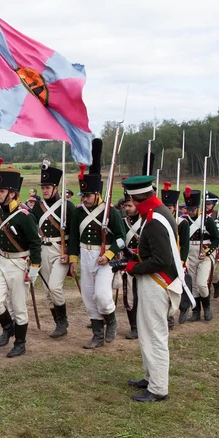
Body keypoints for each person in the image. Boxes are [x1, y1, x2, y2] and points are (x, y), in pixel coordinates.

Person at [120, 175, 184, 402]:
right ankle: (151, 377)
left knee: (154, 335)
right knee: (147, 332)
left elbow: (161, 260)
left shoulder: (155, 219)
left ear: (136, 196)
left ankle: (158, 388)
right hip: (154, 280)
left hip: (157, 281)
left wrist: (132, 266)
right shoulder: (155, 212)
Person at [69, 139, 126, 349]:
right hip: (85, 255)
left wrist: (110, 255)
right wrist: (73, 259)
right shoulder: (78, 212)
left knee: (102, 295)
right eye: (82, 196)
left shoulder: (111, 212)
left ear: (97, 194)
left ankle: (111, 320)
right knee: (88, 298)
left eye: (87, 196)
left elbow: (121, 239)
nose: (84, 199)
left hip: (105, 259)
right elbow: (74, 237)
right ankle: (96, 334)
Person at [0, 162, 42, 357]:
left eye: (2, 191)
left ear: (13, 193)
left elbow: (35, 243)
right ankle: (8, 327)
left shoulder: (25, 216)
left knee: (18, 306)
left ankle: (20, 342)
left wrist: (34, 267)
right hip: (1, 262)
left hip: (19, 263)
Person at [30, 159, 75, 338]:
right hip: (43, 250)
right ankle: (58, 324)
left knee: (55, 287)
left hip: (60, 250)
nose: (45, 190)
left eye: (48, 187)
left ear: (56, 188)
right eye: (43, 187)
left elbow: (74, 235)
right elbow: (32, 231)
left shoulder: (67, 207)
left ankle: (63, 321)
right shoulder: (38, 208)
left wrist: (71, 256)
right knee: (48, 291)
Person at [182, 187, 219, 322]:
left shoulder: (207, 220)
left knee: (202, 284)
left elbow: (216, 239)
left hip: (204, 254)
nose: (190, 212)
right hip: (190, 255)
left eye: (193, 209)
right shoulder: (184, 220)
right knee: (193, 285)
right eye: (188, 209)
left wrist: (208, 252)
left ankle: (207, 306)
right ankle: (196, 311)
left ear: (198, 207)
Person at [160, 182, 191, 324]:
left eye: (170, 207)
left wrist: (182, 261)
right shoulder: (157, 221)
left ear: (175, 208)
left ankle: (184, 307)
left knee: (178, 287)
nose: (167, 210)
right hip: (163, 259)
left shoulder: (182, 223)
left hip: (178, 258)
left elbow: (185, 245)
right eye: (164, 207)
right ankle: (169, 316)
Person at [120, 191, 141, 339]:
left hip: (144, 261)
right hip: (127, 261)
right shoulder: (122, 222)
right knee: (129, 296)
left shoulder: (147, 221)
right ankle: (134, 327)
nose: (127, 208)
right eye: (126, 205)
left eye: (130, 205)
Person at [204, 191, 219, 298]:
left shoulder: (217, 215)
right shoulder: (201, 214)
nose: (206, 205)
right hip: (204, 243)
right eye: (206, 203)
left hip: (215, 244)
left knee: (213, 268)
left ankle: (215, 285)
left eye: (209, 203)